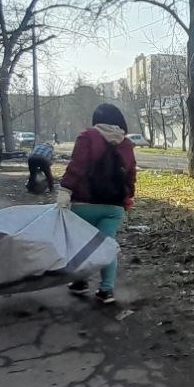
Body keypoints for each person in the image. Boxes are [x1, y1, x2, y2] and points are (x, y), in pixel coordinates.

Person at [57, 103, 137, 305]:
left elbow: (77, 166)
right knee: (107, 245)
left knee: (82, 244)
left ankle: (80, 282)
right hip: (113, 207)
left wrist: (65, 190)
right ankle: (106, 290)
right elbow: (130, 175)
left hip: (84, 204)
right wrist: (129, 197)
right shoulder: (126, 144)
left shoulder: (88, 137)